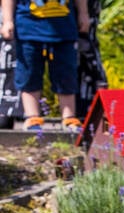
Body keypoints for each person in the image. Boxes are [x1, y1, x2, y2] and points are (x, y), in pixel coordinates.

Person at [0, 0, 89, 132]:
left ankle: (69, 117)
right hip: (28, 29)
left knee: (66, 74)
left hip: (64, 30)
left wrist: (83, 13)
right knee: (28, 73)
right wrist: (7, 20)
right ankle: (32, 117)